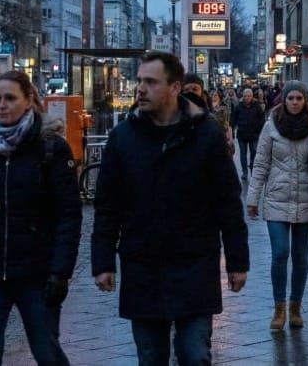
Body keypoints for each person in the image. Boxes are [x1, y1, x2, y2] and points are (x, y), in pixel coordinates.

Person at [92, 51, 248, 366]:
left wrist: (237, 260)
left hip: (194, 263)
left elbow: (228, 201)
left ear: (174, 88)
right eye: (139, 81)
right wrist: (102, 260)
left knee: (195, 354)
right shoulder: (123, 138)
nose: (140, 89)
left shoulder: (205, 135)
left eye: (151, 82)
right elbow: (108, 205)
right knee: (151, 357)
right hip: (142, 265)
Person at [0, 70, 82, 366]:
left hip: (36, 272)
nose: (1, 105)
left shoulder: (51, 147)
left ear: (29, 101)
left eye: (10, 98)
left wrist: (60, 272)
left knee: (46, 352)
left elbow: (68, 215)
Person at [245, 80, 308, 331]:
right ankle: (278, 307)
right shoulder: (271, 127)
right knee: (280, 253)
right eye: (291, 98)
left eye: (299, 98)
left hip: (306, 197)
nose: (294, 103)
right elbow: (260, 164)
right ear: (284, 100)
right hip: (277, 197)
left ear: (305, 101)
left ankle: (295, 306)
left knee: (300, 257)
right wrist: (252, 198)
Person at [232, 87, 266, 181]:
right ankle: (244, 172)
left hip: (254, 134)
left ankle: (252, 170)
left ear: (252, 96)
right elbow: (234, 119)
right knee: (243, 154)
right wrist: (233, 130)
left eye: (249, 96)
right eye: (245, 96)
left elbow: (261, 119)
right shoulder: (238, 106)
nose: (247, 98)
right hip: (242, 134)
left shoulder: (257, 106)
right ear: (243, 96)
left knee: (254, 153)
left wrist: (259, 130)